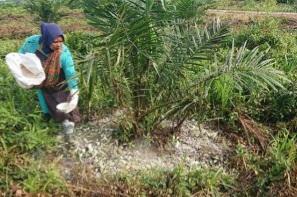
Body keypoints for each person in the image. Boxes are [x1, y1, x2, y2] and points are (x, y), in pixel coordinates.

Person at [19, 22, 80, 142]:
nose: (58, 44)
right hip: (40, 77)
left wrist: (75, 91)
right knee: (48, 98)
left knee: (64, 99)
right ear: (46, 39)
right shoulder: (32, 43)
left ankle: (69, 123)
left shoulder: (64, 53)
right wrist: (23, 75)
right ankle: (51, 120)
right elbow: (21, 56)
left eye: (60, 41)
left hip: (60, 78)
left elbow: (70, 72)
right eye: (55, 41)